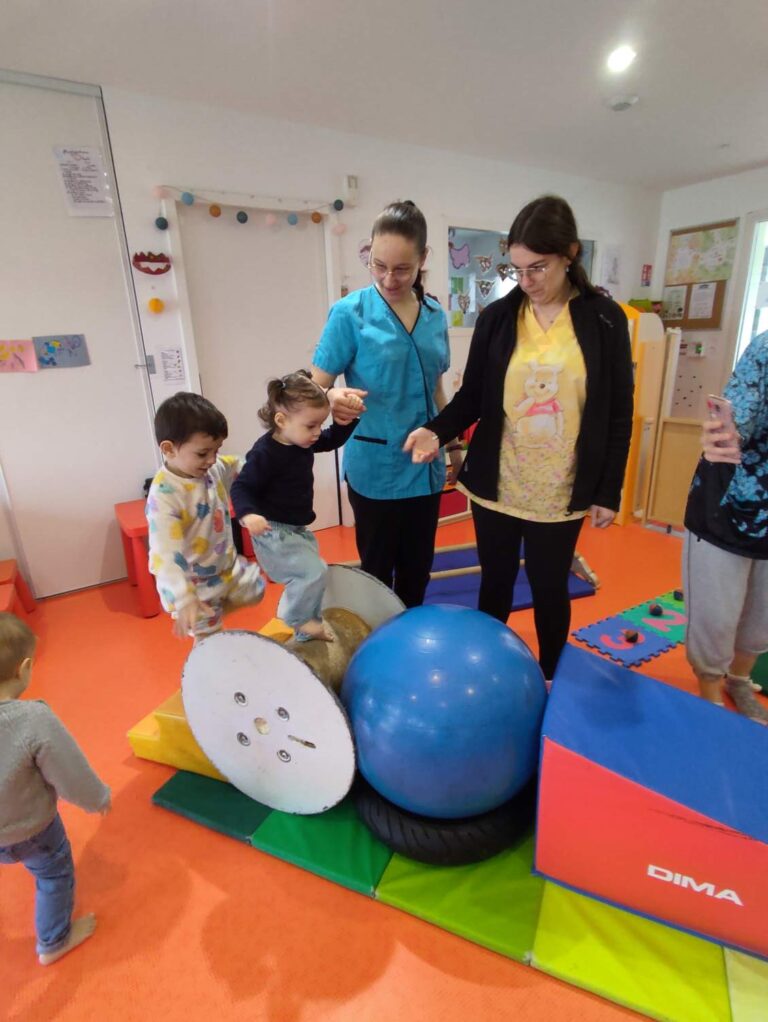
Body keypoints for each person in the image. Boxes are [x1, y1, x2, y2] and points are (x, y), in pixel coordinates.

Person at [404, 195, 634, 680]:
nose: (526, 281)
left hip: (562, 486)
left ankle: (550, 677)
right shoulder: (499, 318)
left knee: (551, 587)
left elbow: (618, 413)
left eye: (538, 268)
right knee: (497, 583)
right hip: (500, 481)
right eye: (519, 269)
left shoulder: (604, 320)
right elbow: (472, 400)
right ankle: (490, 675)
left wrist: (608, 490)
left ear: (570, 254)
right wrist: (434, 429)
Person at [311, 199, 463, 607]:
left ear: (423, 259)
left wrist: (454, 445)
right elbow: (311, 387)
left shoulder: (434, 314)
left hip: (426, 466)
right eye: (378, 265)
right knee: (377, 574)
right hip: (375, 467)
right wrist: (331, 396)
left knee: (418, 572)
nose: (389, 278)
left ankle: (408, 652)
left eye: (402, 269)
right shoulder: (350, 313)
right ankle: (375, 656)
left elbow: (436, 389)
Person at [0, 613, 110, 964]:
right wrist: (97, 799)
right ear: (24, 668)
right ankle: (54, 941)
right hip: (31, 830)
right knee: (53, 874)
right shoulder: (32, 719)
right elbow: (69, 772)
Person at [231, 371, 358, 642]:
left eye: (319, 425)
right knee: (313, 572)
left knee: (314, 575)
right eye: (311, 426)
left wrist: (345, 422)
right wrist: (248, 514)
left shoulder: (302, 442)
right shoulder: (265, 453)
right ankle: (296, 618)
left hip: (296, 528)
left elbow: (332, 439)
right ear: (281, 420)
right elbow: (241, 486)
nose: (316, 433)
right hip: (272, 530)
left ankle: (306, 627)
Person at [683, 329, 768, 721]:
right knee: (717, 613)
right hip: (729, 504)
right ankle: (711, 693)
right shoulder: (766, 347)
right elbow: (738, 420)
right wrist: (725, 431)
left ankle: (739, 680)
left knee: (761, 616)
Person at [146, 392, 265, 639]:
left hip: (225, 567)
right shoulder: (165, 496)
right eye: (203, 453)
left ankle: (218, 608)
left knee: (257, 590)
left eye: (216, 450)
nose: (212, 459)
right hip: (192, 586)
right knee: (209, 641)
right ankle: (205, 627)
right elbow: (164, 556)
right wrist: (183, 596)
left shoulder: (212, 467)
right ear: (168, 449)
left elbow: (239, 466)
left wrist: (269, 464)